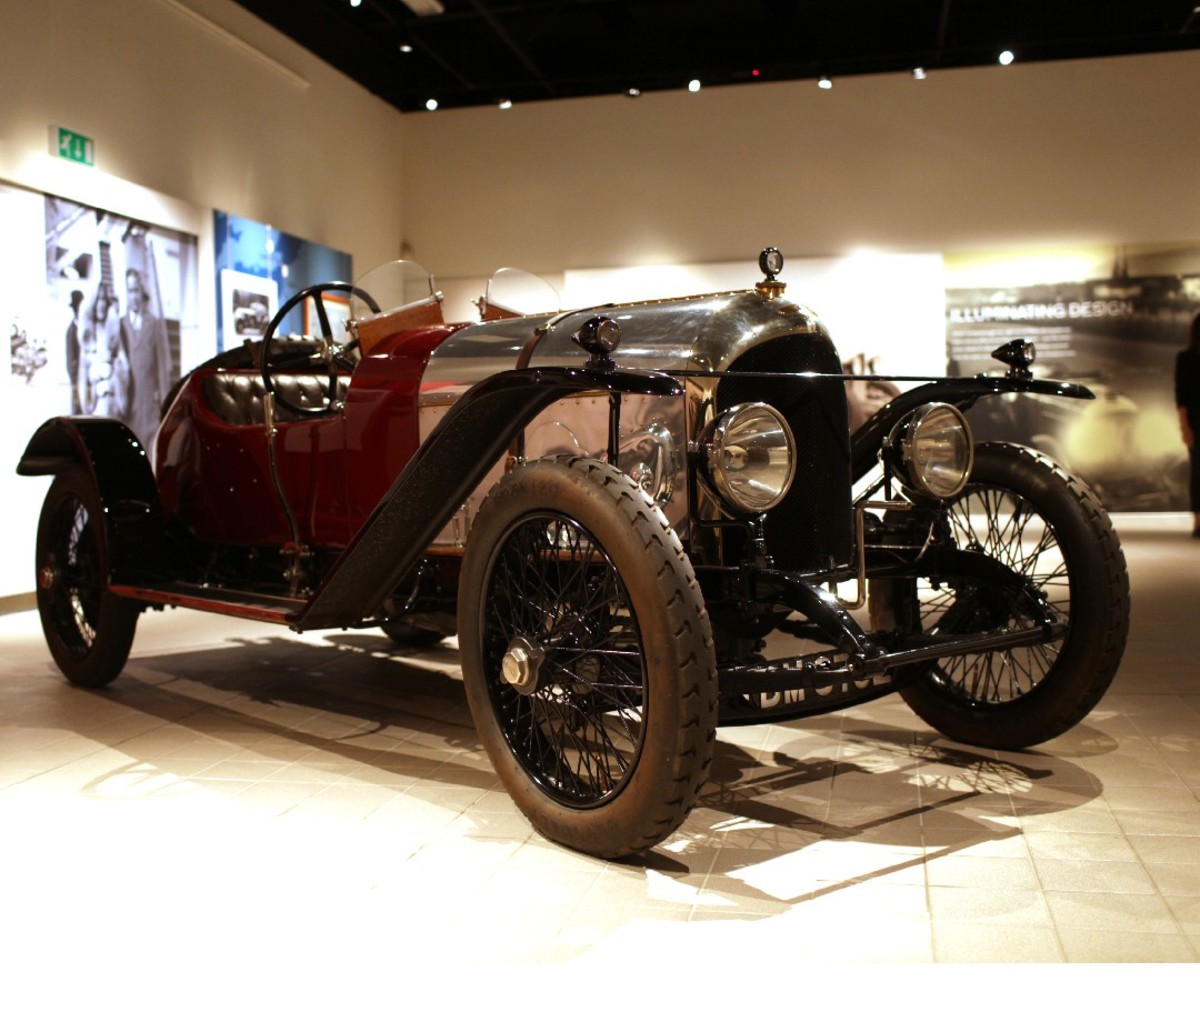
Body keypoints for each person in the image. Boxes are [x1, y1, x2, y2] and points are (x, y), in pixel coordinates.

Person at [120, 268, 171, 451]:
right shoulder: (120, 325)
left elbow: (162, 365)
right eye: (129, 291)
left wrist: (163, 400)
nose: (133, 296)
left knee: (152, 452)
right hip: (128, 404)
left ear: (142, 292)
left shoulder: (153, 323)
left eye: (136, 291)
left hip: (150, 403)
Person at [1176, 312, 1200, 537]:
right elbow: (1181, 397)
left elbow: (1181, 399)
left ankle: (1198, 521)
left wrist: (1185, 427)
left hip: (1194, 422)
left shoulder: (1184, 359)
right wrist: (1185, 427)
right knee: (1198, 473)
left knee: (1197, 473)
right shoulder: (1185, 358)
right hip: (1196, 423)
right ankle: (1198, 520)